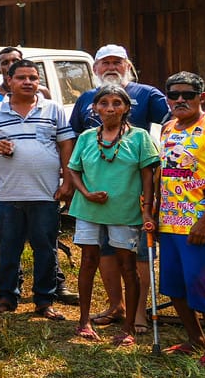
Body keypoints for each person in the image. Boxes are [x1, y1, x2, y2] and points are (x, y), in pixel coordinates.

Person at [69, 43, 170, 330]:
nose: (111, 67)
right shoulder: (86, 100)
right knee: (102, 253)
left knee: (134, 256)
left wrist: (150, 203)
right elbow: (72, 142)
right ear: (96, 68)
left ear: (128, 65)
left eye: (117, 61)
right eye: (105, 62)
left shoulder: (147, 94)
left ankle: (138, 314)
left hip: (129, 199)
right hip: (93, 203)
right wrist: (76, 187)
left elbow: (171, 123)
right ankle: (116, 306)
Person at [0, 59, 74, 318]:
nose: (28, 82)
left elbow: (66, 144)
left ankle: (44, 300)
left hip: (45, 192)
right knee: (9, 246)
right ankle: (7, 297)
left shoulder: (53, 109)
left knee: (45, 247)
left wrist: (67, 181)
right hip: (9, 193)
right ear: (9, 80)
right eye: (21, 77)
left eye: (33, 77)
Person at [65, 84, 157, 343]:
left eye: (117, 103)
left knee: (128, 266)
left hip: (125, 211)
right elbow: (74, 169)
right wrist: (85, 193)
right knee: (88, 261)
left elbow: (148, 175)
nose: (110, 108)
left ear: (127, 108)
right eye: (103, 103)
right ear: (94, 108)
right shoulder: (86, 137)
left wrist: (147, 210)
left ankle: (128, 327)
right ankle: (83, 321)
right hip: (89, 209)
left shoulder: (139, 137)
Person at [156, 71, 205, 366]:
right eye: (174, 95)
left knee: (203, 284)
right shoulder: (167, 129)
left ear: (201, 97)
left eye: (187, 95)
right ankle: (194, 339)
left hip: (204, 223)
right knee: (174, 285)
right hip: (170, 220)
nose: (180, 100)